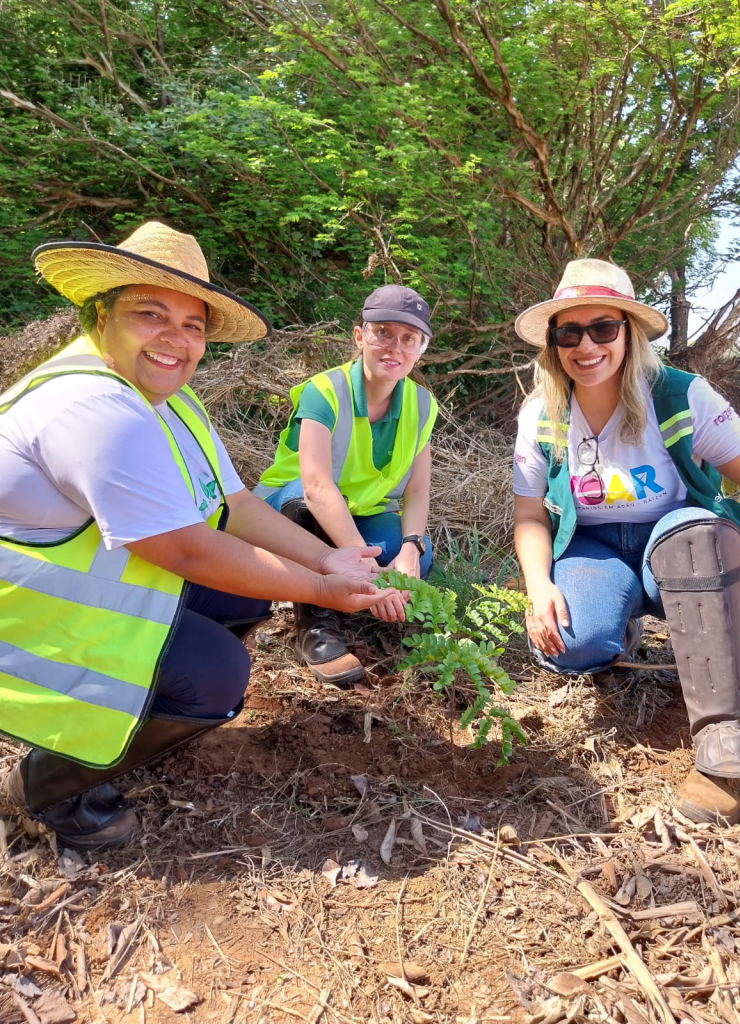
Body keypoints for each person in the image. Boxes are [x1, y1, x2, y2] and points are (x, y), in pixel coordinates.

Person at [0, 221, 394, 850]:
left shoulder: (169, 399)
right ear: (99, 318)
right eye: (149, 313)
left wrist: (331, 556)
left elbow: (232, 505)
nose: (174, 339)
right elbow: (182, 549)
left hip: (92, 586)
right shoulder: (92, 409)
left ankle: (136, 716)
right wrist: (321, 586)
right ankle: (48, 787)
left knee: (244, 596)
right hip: (26, 621)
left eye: (192, 325)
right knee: (217, 674)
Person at [513, 258, 740, 826]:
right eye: (569, 332)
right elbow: (529, 511)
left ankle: (728, 743)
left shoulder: (681, 396)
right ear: (553, 342)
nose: (586, 346)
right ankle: (616, 622)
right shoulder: (541, 414)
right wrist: (538, 587)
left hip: (675, 538)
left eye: (603, 328)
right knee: (574, 643)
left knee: (698, 536)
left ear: (629, 331)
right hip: (595, 545)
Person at [256, 285, 438, 687]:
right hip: (292, 508)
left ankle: (357, 593)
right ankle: (316, 625)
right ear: (360, 336)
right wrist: (365, 562)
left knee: (415, 567)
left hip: (360, 514)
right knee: (307, 512)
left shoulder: (422, 404)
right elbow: (317, 486)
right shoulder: (325, 391)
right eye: (383, 332)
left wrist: (411, 547)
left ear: (421, 348)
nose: (395, 347)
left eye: (409, 339)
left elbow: (417, 490)